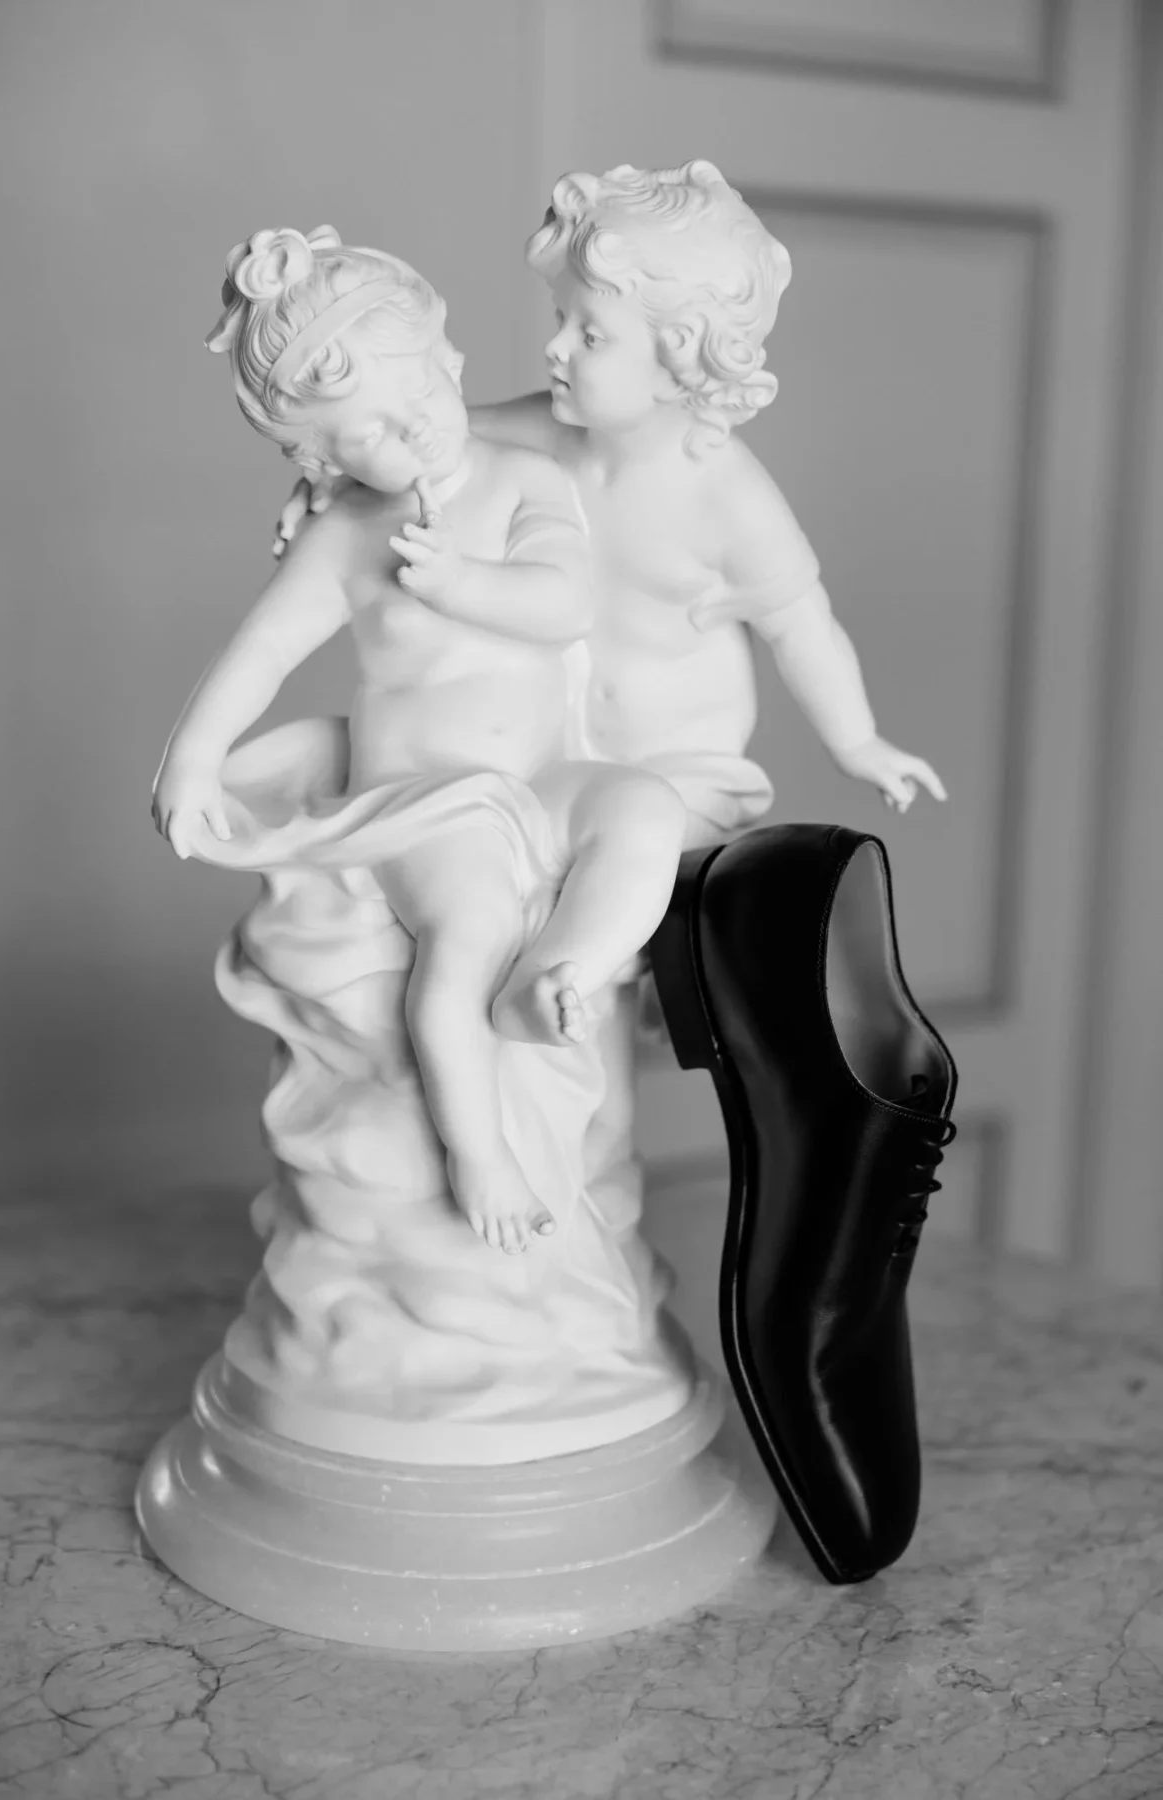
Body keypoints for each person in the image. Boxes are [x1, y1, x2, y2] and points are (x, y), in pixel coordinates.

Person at [152, 225, 688, 1256]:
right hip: (429, 807)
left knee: (642, 811)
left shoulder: (525, 480)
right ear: (323, 460)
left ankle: (561, 973)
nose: (414, 428)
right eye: (372, 432)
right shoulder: (342, 537)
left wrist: (461, 582)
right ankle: (477, 1152)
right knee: (457, 953)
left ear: (451, 360)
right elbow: (260, 655)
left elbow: (564, 604)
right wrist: (192, 760)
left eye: (421, 393)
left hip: (539, 776)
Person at [279, 161, 945, 839]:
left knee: (623, 847)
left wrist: (858, 742)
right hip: (563, 763)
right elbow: (425, 445)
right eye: (560, 319)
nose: (555, 346)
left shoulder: (727, 499)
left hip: (683, 778)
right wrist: (332, 484)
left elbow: (804, 628)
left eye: (590, 335)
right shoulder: (547, 430)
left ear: (678, 359)